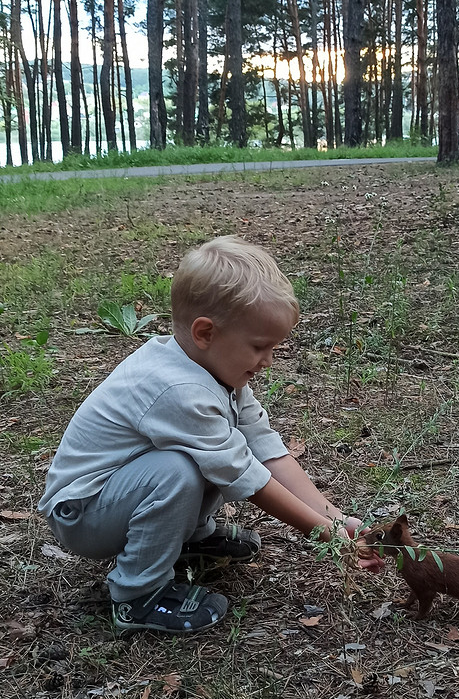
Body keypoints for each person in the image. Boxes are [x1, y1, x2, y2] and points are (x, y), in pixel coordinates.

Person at [38, 235, 383, 634]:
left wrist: (336, 519)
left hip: (117, 497)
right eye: (259, 346)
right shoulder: (178, 390)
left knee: (211, 451)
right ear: (205, 332)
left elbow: (265, 450)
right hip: (84, 514)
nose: (268, 361)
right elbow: (244, 477)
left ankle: (188, 541)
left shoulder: (218, 374)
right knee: (179, 469)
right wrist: (325, 536)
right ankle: (137, 594)